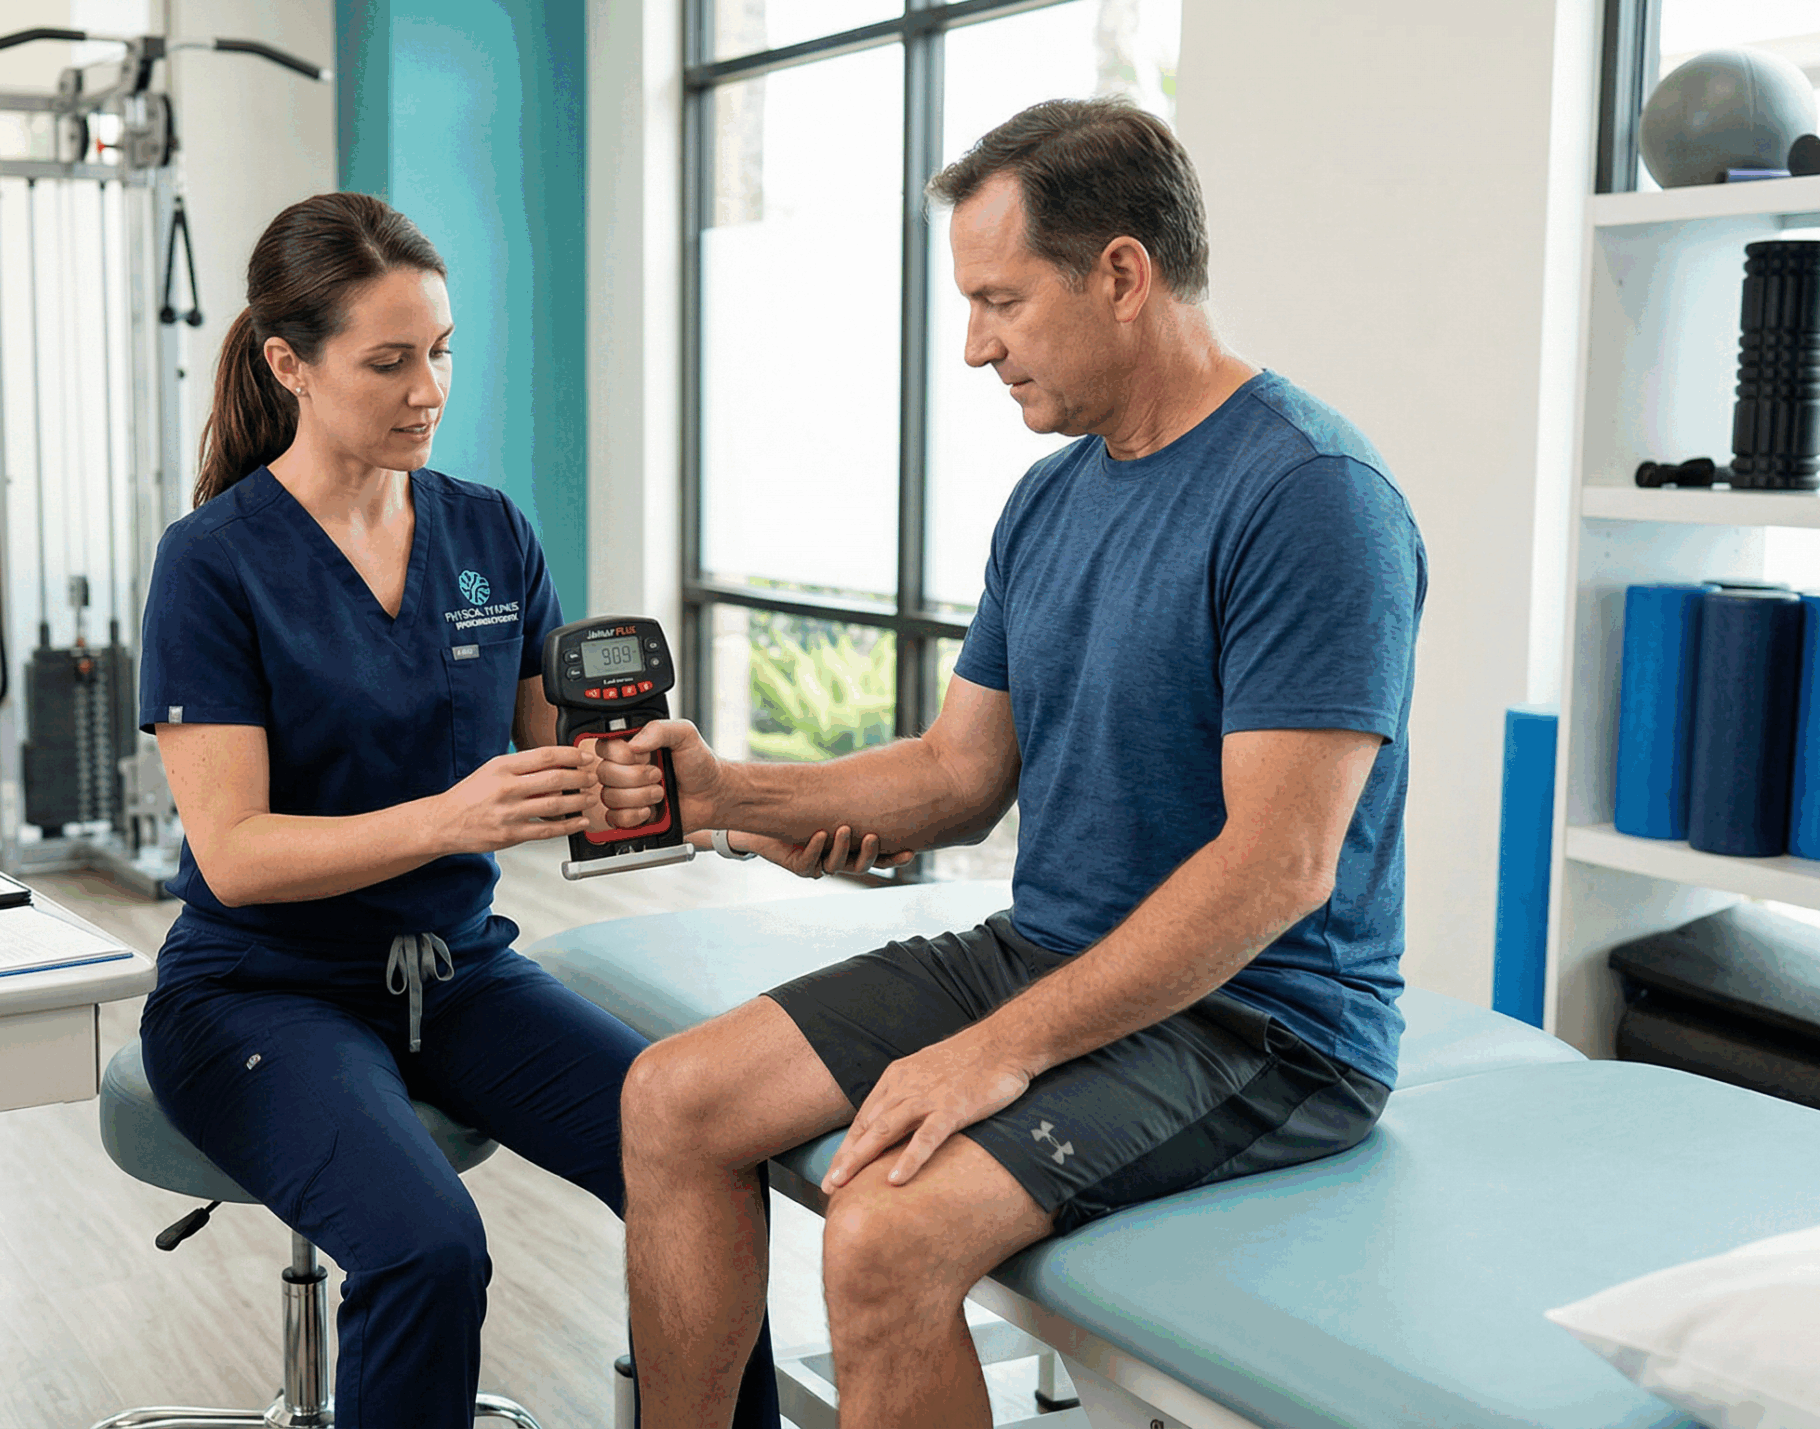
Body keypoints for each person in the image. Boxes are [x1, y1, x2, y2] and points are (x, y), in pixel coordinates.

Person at [604, 98, 1430, 1427]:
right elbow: (954, 775)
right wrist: (724, 794)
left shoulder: (1312, 496)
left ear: (1120, 273)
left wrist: (994, 1053)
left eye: (1000, 299)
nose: (975, 344)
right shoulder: (1054, 495)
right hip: (1052, 949)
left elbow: (1280, 865)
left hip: (1264, 1024)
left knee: (879, 1230)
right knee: (675, 1097)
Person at [133, 192, 788, 1426]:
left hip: (457, 974)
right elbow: (238, 855)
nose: (426, 386)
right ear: (290, 364)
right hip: (258, 991)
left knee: (699, 1166)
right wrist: (448, 817)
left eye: (439, 351)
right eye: (387, 361)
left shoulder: (489, 530)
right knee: (428, 1244)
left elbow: (556, 752)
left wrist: (643, 775)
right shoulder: (212, 563)